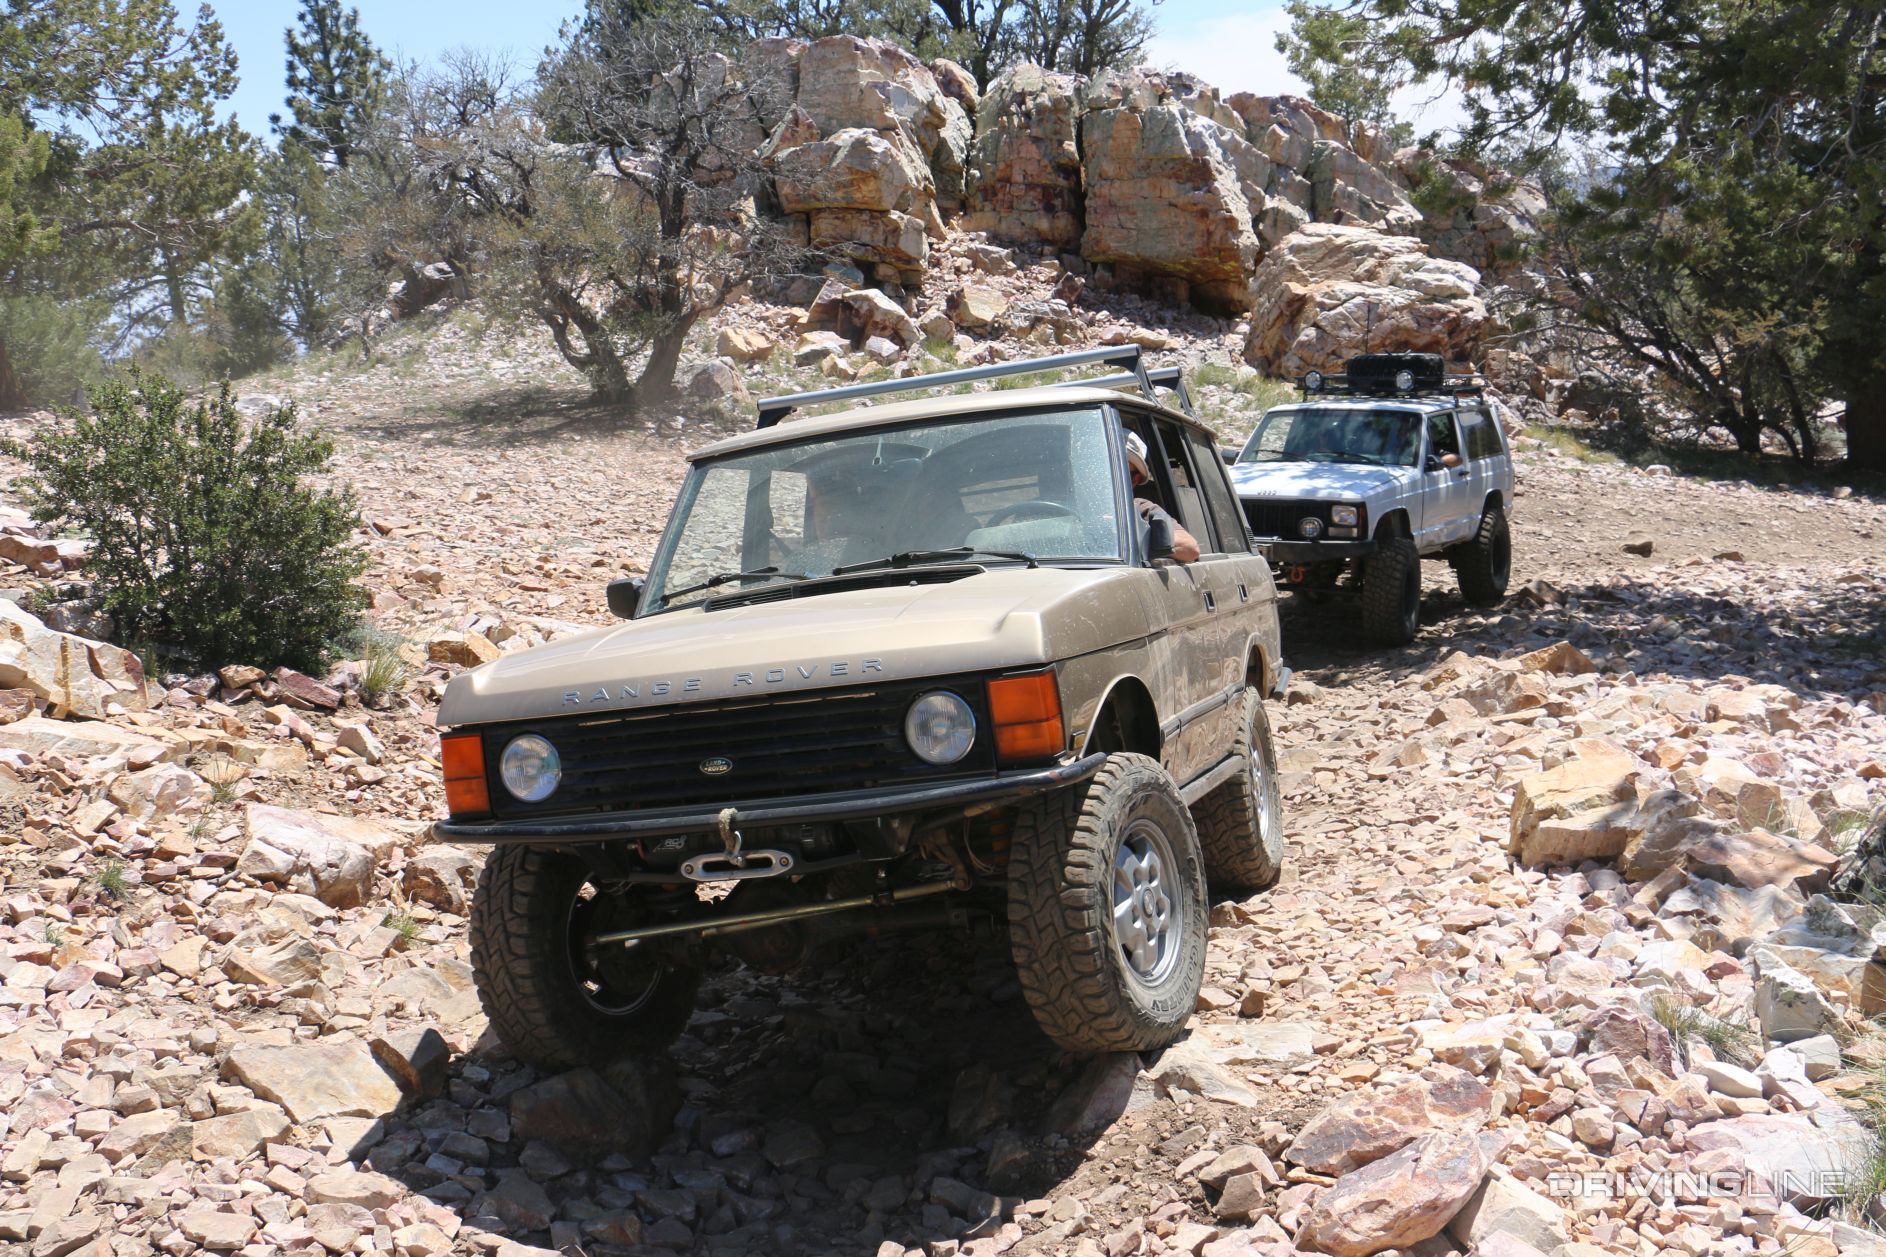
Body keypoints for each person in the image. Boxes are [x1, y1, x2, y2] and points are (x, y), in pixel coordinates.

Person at [1124, 431, 1200, 563]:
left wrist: (1138, 538)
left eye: (1113, 468)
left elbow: (1190, 548)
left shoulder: (1142, 509)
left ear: (1134, 479)